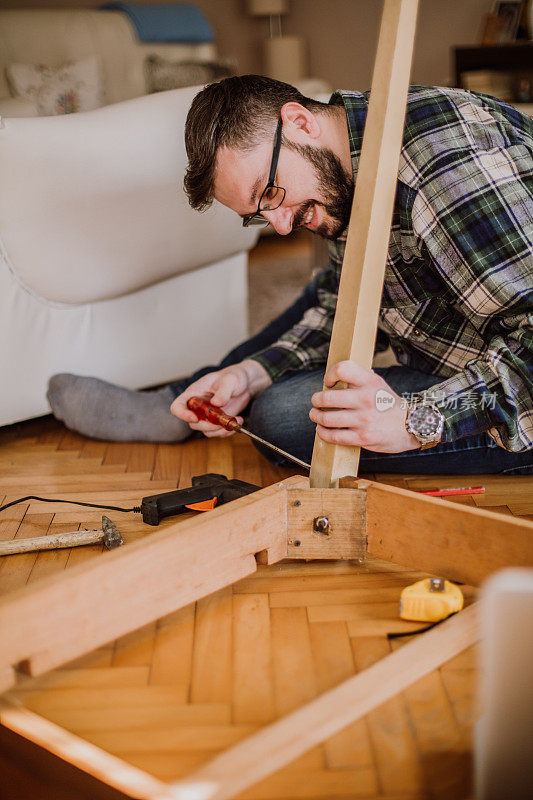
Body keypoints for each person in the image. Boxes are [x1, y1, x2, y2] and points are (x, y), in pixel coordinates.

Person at [48, 75, 533, 474]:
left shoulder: (444, 172)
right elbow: (343, 303)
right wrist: (250, 373)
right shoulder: (351, 158)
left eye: (270, 190)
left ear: (299, 121)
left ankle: (181, 400)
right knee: (303, 342)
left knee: (281, 419)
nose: (279, 226)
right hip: (465, 353)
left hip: (518, 397)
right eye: (258, 213)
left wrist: (413, 421)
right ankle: (199, 395)